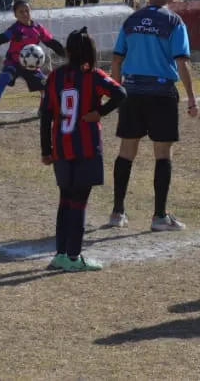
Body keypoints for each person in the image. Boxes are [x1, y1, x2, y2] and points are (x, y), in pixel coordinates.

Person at [107, 0, 199, 231]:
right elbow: (182, 62)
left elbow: (116, 59)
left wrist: (116, 90)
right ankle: (159, 216)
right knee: (162, 154)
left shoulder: (131, 20)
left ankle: (117, 213)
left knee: (126, 151)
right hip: (161, 93)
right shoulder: (174, 22)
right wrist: (192, 99)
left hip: (132, 91)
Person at [40, 27, 127, 273]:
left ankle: (60, 253)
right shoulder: (94, 75)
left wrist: (46, 149)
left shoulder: (54, 77)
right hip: (86, 147)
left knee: (65, 200)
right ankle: (74, 256)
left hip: (61, 147)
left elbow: (45, 116)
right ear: (91, 51)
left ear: (67, 51)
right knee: (78, 203)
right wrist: (99, 113)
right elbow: (120, 93)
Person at [0, 0, 65, 118]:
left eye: (27, 11)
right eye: (21, 12)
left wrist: (66, 53)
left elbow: (51, 42)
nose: (25, 14)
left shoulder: (38, 28)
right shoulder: (15, 29)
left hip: (31, 65)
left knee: (45, 86)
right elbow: (2, 38)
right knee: (4, 78)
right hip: (13, 63)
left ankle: (43, 109)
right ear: (15, 15)